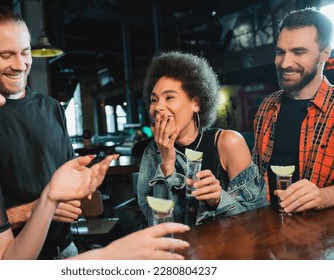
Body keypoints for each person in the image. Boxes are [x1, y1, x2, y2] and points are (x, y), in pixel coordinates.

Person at [0, 23, 190, 260]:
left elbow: (6, 265)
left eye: (25, 52)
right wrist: (107, 258)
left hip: (63, 246)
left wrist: (52, 197)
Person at [0, 4, 82, 259]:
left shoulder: (51, 108)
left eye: (25, 52)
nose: (20, 64)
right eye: (7, 55)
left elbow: (70, 174)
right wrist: (39, 208)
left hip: (66, 250)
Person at [137, 51, 268, 226]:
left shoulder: (228, 143)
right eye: (154, 100)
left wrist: (219, 199)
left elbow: (256, 218)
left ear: (196, 104)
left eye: (169, 97)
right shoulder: (153, 153)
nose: (158, 107)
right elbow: (159, 226)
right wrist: (167, 163)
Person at [253, 7, 334, 214]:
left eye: (299, 52)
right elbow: (255, 182)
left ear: (325, 53)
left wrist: (324, 196)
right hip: (271, 231)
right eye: (280, 52)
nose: (285, 63)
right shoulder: (266, 108)